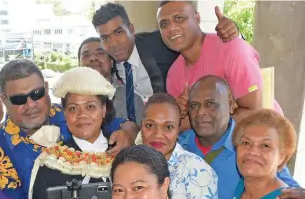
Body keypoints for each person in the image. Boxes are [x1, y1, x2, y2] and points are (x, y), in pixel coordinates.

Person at [0, 59, 137, 199]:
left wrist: (128, 134)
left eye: (37, 94)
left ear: (46, 88)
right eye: (19, 99)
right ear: (4, 100)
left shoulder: (70, 114)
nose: (31, 105)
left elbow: (123, 125)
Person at [28, 67, 126, 199]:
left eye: (90, 107)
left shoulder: (126, 157)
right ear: (64, 113)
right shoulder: (52, 163)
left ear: (104, 109)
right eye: (73, 108)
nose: (81, 115)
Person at [179, 75, 303, 199]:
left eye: (211, 104)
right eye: (194, 105)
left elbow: (295, 194)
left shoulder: (252, 149)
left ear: (231, 104)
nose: (200, 112)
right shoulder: (179, 146)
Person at [92, 2, 238, 124]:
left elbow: (194, 38)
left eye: (118, 33)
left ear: (131, 29)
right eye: (105, 38)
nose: (113, 44)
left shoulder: (160, 43)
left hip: (178, 125)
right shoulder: (109, 63)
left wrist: (232, 32)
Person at [157, 1, 282, 131]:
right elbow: (180, 127)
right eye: (164, 24)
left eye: (179, 18)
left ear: (197, 19)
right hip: (208, 147)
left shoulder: (231, 49)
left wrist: (196, 117)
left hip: (261, 137)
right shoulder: (174, 74)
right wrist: (179, 113)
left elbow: (254, 113)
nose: (171, 28)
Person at [137, 93, 218, 199]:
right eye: (150, 125)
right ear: (141, 127)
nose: (158, 134)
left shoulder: (195, 169)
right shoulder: (133, 166)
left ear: (178, 130)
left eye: (168, 127)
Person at [78, 37, 144, 125]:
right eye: (86, 55)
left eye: (100, 53)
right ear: (79, 64)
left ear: (112, 62)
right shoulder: (68, 97)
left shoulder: (132, 98)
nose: (93, 58)